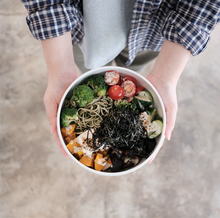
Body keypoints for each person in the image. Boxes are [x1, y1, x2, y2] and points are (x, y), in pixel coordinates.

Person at [21, 0, 220, 158]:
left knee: (135, 65)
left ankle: (130, 68)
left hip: (154, 29)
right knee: (85, 64)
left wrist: (166, 75)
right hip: (78, 25)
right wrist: (60, 68)